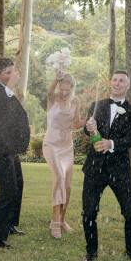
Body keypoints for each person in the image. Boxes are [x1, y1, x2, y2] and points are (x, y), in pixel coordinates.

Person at [81, 70, 131, 261]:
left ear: (127, 86)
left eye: (121, 81)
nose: (117, 83)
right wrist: (88, 128)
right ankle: (91, 252)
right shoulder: (96, 105)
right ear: (110, 82)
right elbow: (88, 129)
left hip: (120, 169)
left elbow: (130, 140)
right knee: (89, 212)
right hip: (95, 167)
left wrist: (111, 143)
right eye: (114, 80)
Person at [0, 58, 31, 249]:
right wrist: (10, 87)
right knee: (8, 191)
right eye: (8, 73)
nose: (12, 76)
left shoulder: (4, 91)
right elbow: (0, 111)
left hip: (8, 148)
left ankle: (9, 224)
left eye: (12, 72)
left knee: (18, 183)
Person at [42, 72, 85, 238]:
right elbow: (49, 91)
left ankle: (62, 220)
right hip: (51, 143)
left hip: (67, 145)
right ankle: (54, 221)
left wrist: (90, 120)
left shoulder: (75, 101)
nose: (64, 92)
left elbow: (75, 123)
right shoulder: (52, 98)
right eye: (62, 88)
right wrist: (56, 79)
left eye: (68, 89)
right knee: (59, 178)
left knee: (67, 185)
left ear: (72, 88)